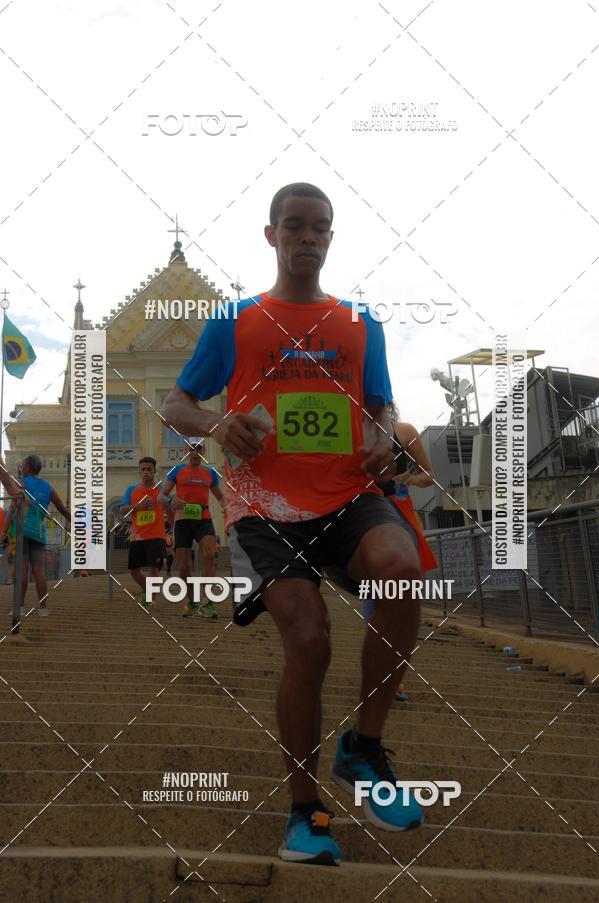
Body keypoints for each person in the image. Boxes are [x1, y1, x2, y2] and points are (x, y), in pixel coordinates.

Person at [162, 183, 424, 866]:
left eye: (321, 228)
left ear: (330, 239)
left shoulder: (361, 322)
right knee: (309, 639)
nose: (308, 237)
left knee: (401, 570)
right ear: (272, 235)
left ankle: (363, 747)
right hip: (265, 508)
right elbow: (174, 401)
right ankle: (305, 813)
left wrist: (379, 434)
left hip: (346, 494)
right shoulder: (237, 322)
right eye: (295, 226)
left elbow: (382, 402)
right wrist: (218, 422)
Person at [363, 411, 438, 703]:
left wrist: (414, 479)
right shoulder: (354, 433)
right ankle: (382, 673)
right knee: (373, 593)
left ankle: (394, 673)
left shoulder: (404, 432)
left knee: (403, 595)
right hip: (366, 514)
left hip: (401, 514)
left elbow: (430, 476)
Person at [158, 439, 225, 619]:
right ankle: (192, 600)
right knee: (184, 565)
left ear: (203, 450)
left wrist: (228, 509)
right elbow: (161, 496)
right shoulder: (177, 471)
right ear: (186, 451)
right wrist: (172, 501)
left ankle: (208, 602)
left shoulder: (210, 472)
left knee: (209, 556)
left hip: (204, 519)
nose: (195, 453)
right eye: (191, 449)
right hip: (183, 521)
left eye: (198, 449)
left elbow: (220, 497)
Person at [9, 454, 70, 616]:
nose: (21, 469)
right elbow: (63, 510)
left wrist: (4, 530)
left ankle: (19, 607)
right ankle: (43, 608)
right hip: (39, 531)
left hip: (22, 529)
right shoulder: (48, 487)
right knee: (38, 570)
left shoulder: (21, 483)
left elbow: (14, 507)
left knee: (21, 569)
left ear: (27, 468)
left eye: (22, 466)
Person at [120, 457, 170, 606]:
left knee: (154, 568)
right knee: (134, 570)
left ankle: (151, 598)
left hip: (156, 535)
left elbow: (170, 506)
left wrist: (173, 529)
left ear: (155, 471)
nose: (146, 472)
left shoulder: (161, 489)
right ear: (139, 471)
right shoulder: (132, 489)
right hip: (137, 537)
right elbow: (122, 509)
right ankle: (147, 590)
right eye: (143, 469)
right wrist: (137, 506)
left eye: (149, 469)